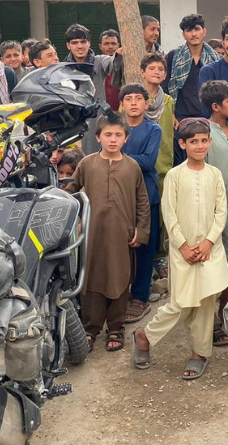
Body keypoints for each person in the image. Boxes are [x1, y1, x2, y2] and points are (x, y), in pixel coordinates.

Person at [131, 118, 228, 379]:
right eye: (193, 141)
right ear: (183, 144)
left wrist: (208, 242)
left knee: (206, 302)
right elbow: (169, 213)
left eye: (204, 141)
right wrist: (183, 246)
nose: (200, 146)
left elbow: (221, 212)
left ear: (210, 142)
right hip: (182, 251)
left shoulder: (215, 174)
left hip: (210, 250)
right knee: (180, 303)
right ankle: (144, 336)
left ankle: (200, 353)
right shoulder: (175, 175)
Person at [66, 115, 150, 353]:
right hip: (92, 234)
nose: (113, 140)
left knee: (120, 277)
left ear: (126, 139)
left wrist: (141, 230)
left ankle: (115, 327)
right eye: (108, 135)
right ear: (98, 137)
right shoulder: (87, 164)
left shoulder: (132, 167)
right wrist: (74, 223)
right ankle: (90, 328)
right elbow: (70, 193)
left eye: (118, 135)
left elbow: (142, 202)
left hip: (122, 234)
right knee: (91, 279)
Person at [199, 80, 228, 347]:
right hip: (215, 208)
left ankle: (226, 314)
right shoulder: (206, 132)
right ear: (216, 106)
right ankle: (213, 321)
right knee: (216, 263)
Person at [119, 84, 162, 324]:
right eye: (128, 99)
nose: (134, 103)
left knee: (145, 246)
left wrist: (116, 156)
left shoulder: (153, 129)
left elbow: (147, 161)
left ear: (147, 104)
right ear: (121, 104)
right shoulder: (115, 128)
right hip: (118, 196)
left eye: (138, 98)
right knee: (119, 246)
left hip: (147, 194)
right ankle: (118, 292)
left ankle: (140, 297)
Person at [163, 14, 219, 165]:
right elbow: (165, 85)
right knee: (180, 162)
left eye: (197, 29)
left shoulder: (215, 58)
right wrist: (171, 114)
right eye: (189, 30)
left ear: (204, 31)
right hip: (180, 118)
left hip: (207, 118)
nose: (193, 34)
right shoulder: (174, 56)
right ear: (183, 34)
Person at [65, 23, 120, 154]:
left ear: (89, 43)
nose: (80, 46)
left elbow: (112, 63)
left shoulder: (99, 61)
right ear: (68, 45)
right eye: (75, 42)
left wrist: (119, 54)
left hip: (97, 121)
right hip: (73, 125)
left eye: (83, 41)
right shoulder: (63, 68)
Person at [140, 52, 174, 196]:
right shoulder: (134, 99)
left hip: (163, 161)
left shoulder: (168, 101)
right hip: (140, 158)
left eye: (160, 69)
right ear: (142, 72)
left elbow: (168, 135)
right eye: (152, 68)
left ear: (165, 75)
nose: (156, 72)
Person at [99, 29, 122, 110]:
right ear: (100, 46)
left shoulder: (126, 66)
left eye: (113, 43)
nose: (110, 47)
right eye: (106, 44)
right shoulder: (95, 65)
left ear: (118, 45)